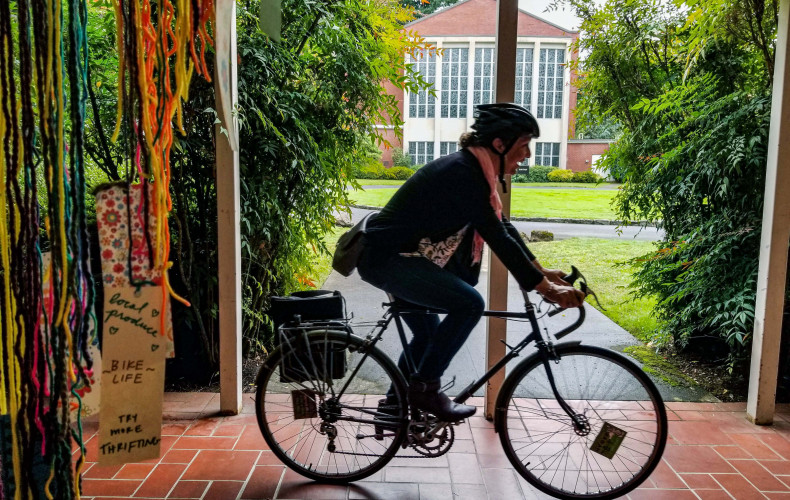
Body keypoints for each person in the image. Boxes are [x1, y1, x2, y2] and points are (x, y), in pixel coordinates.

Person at [357, 102, 585, 422]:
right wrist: (546, 289)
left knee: (426, 335)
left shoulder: (474, 171)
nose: (528, 155)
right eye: (524, 146)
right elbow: (496, 235)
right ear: (499, 145)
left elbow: (501, 226)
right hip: (389, 258)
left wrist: (539, 271)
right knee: (468, 304)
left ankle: (395, 407)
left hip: (397, 256)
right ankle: (425, 389)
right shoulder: (465, 173)